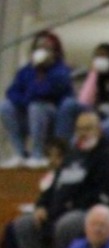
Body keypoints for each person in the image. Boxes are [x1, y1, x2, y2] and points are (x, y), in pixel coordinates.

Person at [7, 110, 109, 248]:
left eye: (88, 128)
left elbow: (105, 195)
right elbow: (52, 188)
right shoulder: (71, 157)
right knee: (23, 225)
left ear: (99, 130)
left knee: (66, 225)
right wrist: (41, 206)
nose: (83, 133)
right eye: (79, 129)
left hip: (88, 212)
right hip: (59, 211)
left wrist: (70, 206)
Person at [1, 31, 72, 168]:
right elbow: (12, 92)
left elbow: (43, 93)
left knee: (36, 106)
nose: (41, 51)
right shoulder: (26, 71)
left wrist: (42, 71)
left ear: (55, 52)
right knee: (5, 106)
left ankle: (37, 154)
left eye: (46, 48)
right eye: (38, 48)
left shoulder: (61, 71)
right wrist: (25, 101)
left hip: (52, 116)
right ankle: (20, 153)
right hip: (29, 113)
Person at [54, 43, 109, 146]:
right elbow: (84, 100)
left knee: (98, 128)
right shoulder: (99, 76)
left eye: (103, 56)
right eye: (97, 56)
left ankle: (77, 148)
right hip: (100, 113)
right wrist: (93, 74)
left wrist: (102, 108)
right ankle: (62, 145)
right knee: (69, 104)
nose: (99, 59)